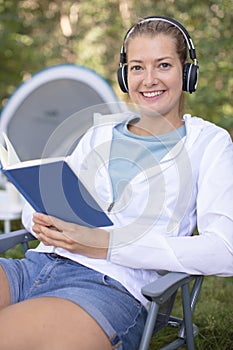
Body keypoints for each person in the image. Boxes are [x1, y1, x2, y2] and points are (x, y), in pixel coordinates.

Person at [0, 16, 232, 350]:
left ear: (188, 72)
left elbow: (224, 250)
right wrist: (41, 221)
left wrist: (104, 243)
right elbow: (37, 205)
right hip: (37, 264)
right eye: (137, 67)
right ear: (125, 75)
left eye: (163, 65)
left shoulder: (209, 143)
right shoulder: (98, 133)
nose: (148, 79)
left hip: (108, 288)